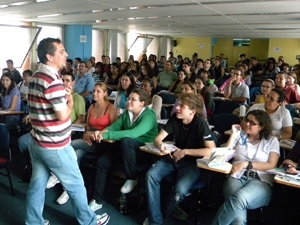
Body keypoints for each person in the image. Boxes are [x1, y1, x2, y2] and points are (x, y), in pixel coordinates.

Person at [25, 37, 109, 225]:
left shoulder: (36, 77)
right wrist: (69, 100)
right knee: (76, 185)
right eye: (62, 51)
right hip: (55, 146)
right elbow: (63, 115)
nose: (67, 55)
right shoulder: (52, 81)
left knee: (37, 186)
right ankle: (89, 221)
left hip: (37, 142)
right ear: (49, 56)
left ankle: (33, 222)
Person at [144, 93, 215, 225]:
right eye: (178, 105)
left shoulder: (200, 123)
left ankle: (158, 218)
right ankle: (155, 220)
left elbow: (211, 150)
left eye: (182, 106)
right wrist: (161, 146)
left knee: (180, 189)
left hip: (192, 164)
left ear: (192, 112)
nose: (177, 108)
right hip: (173, 159)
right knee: (150, 175)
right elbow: (158, 138)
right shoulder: (175, 119)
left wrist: (185, 152)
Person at [47, 82, 118, 205]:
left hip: (104, 143)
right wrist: (87, 135)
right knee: (77, 154)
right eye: (94, 91)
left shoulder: (110, 108)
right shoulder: (91, 107)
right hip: (89, 142)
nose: (94, 93)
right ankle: (68, 189)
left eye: (98, 91)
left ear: (105, 94)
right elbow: (87, 126)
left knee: (72, 144)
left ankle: (58, 174)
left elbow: (114, 129)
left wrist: (91, 135)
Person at [88, 89, 158, 212]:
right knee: (102, 162)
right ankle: (97, 200)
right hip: (127, 152)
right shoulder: (127, 113)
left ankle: (132, 177)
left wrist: (105, 136)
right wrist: (100, 133)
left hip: (144, 153)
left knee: (126, 140)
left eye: (133, 100)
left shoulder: (149, 115)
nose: (128, 101)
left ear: (142, 103)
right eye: (129, 99)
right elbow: (114, 126)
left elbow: (133, 133)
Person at [211, 110, 280, 225]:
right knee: (239, 219)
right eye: (247, 120)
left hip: (260, 180)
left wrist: (246, 164)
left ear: (261, 127)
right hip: (236, 177)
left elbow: (271, 164)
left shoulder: (272, 140)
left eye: (252, 123)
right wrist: (233, 135)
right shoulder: (240, 135)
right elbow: (223, 157)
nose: (247, 124)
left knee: (240, 198)